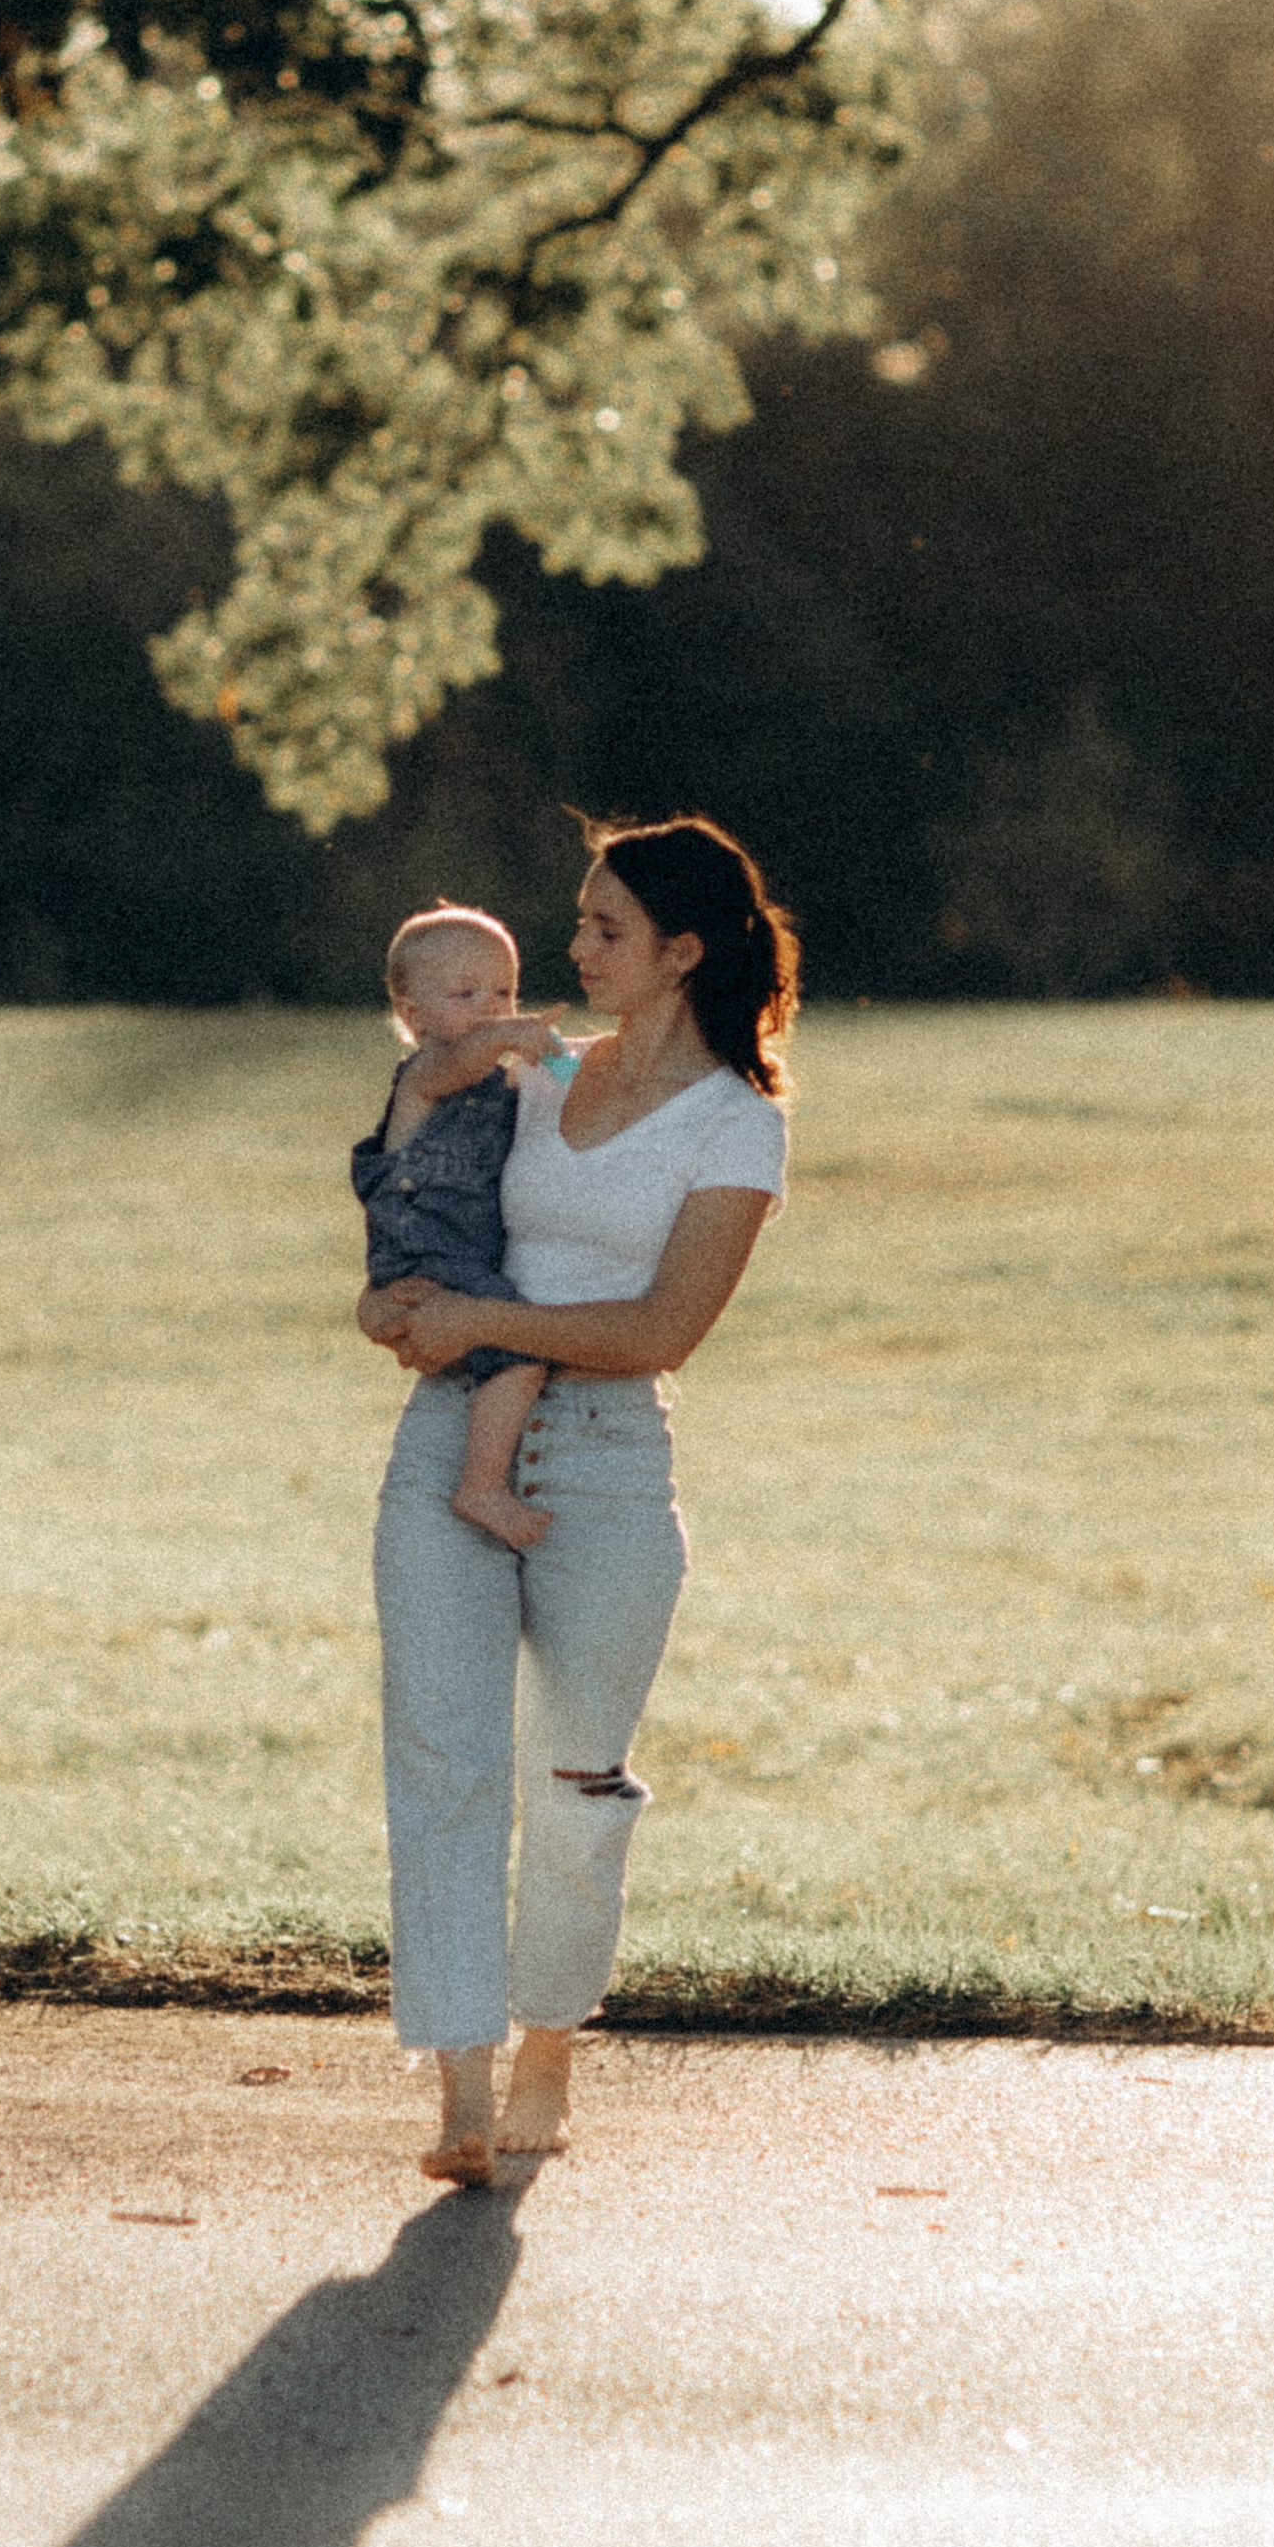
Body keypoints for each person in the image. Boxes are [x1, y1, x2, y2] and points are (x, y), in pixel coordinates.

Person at [359, 815, 796, 2185]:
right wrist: (396, 1293)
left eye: (608, 927)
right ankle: (462, 2095)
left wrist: (483, 1318)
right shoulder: (532, 1073)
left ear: (682, 950)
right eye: (582, 919)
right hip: (447, 1442)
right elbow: (415, 1171)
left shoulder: (740, 1125)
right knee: (441, 1762)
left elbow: (666, 1327)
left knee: (577, 1780)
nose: (575, 948)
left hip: (606, 1459)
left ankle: (552, 2034)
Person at [350, 905, 568, 1554]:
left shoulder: (501, 1083)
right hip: (427, 1249)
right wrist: (504, 1036)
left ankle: (482, 1479)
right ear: (414, 1017)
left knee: (505, 1345)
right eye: (465, 994)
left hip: (461, 1257)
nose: (492, 1008)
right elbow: (463, 1061)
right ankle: (481, 1486)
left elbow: (564, 1090)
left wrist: (563, 1069)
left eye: (503, 991)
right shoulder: (424, 1078)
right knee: (521, 1351)